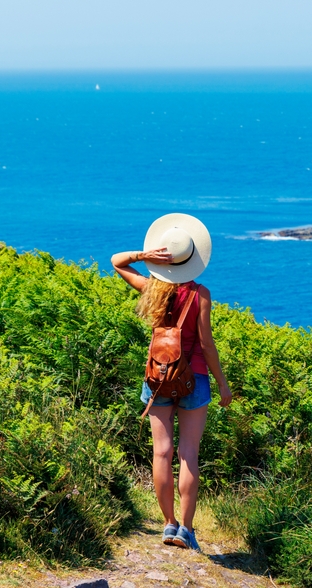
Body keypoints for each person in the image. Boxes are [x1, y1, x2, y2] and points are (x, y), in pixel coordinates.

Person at [111, 213, 232, 551]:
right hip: (193, 378)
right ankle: (187, 531)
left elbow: (116, 262)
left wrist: (144, 256)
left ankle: (167, 525)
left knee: (161, 452)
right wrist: (222, 383)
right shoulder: (200, 294)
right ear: (193, 259)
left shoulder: (152, 288)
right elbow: (206, 345)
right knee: (187, 455)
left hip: (158, 376)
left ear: (165, 258)